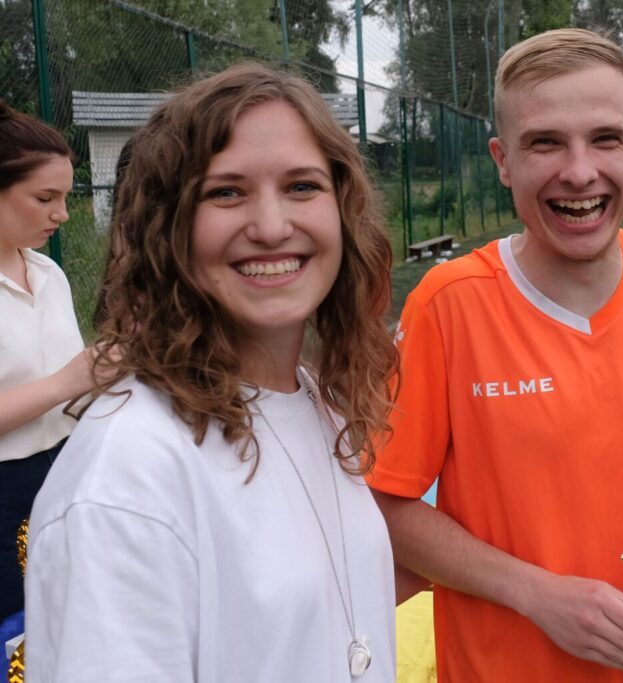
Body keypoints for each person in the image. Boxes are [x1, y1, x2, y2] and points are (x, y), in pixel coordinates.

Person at [369, 28, 623, 683]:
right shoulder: (450, 305)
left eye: (605, 139)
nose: (579, 172)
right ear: (503, 160)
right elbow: (387, 506)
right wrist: (537, 595)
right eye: (545, 142)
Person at [25, 63, 401, 681]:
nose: (273, 227)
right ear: (167, 227)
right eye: (226, 192)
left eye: (302, 186)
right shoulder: (128, 476)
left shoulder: (314, 401)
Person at [0, 101, 99, 621]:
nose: (61, 213)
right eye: (45, 198)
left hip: (65, 470)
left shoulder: (49, 274)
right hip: (4, 490)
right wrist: (68, 380)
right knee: (15, 634)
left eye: (64, 197)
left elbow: (75, 383)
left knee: (68, 616)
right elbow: (65, 380)